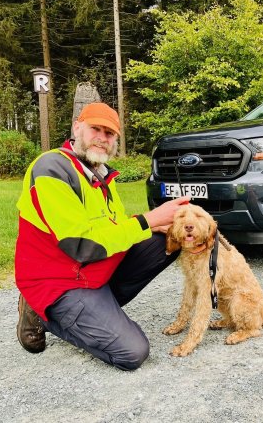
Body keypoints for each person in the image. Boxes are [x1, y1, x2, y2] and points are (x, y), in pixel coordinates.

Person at [14, 102, 190, 370]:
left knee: (168, 239)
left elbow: (113, 228)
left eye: (109, 134)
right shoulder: (52, 168)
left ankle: (96, 312)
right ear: (77, 128)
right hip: (60, 282)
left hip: (91, 272)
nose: (102, 138)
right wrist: (148, 220)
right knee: (133, 353)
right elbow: (81, 245)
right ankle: (44, 314)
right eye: (95, 128)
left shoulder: (101, 174)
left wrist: (155, 225)